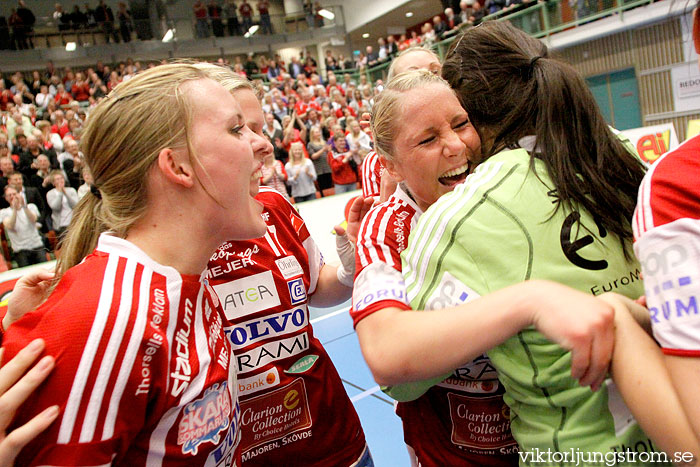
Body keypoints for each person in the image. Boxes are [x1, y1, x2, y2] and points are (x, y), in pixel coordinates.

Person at [399, 22, 667, 457]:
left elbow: (402, 378)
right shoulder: (623, 154)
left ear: (466, 112)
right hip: (679, 426)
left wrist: (372, 267)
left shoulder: (461, 215)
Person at [2, 63, 267, 465]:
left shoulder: (189, 280)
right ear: (178, 167)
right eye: (236, 129)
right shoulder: (107, 321)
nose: (260, 144)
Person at [193, 63, 372, 465]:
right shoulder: (176, 250)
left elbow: (315, 290)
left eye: (260, 127)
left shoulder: (275, 207)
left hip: (334, 441)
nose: (263, 144)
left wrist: (347, 271)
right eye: (241, 130)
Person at [1, 185, 45, 267]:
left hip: (37, 246)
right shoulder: (4, 212)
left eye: (14, 194)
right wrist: (14, 209)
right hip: (20, 250)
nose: (12, 197)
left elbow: (33, 219)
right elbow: (10, 225)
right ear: (6, 198)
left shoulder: (31, 206)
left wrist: (24, 206)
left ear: (19, 194)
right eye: (9, 195)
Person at [45, 171, 77, 238]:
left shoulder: (71, 190)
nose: (60, 180)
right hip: (60, 226)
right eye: (57, 179)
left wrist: (66, 193)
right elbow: (56, 207)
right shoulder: (50, 193)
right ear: (53, 183)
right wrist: (60, 193)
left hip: (73, 223)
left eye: (61, 178)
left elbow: (75, 205)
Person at [307, 126, 333, 197]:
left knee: (330, 187)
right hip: (319, 170)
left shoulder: (324, 142)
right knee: (323, 188)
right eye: (316, 132)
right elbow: (313, 156)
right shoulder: (310, 144)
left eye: (319, 132)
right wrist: (323, 150)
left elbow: (329, 153)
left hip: (327, 168)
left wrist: (329, 150)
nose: (318, 134)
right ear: (312, 134)